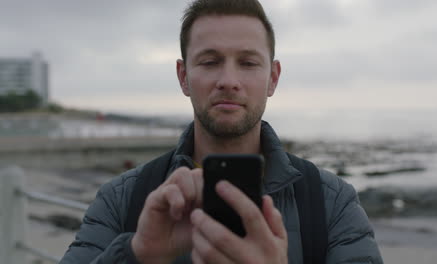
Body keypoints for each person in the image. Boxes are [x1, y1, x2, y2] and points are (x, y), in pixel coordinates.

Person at [60, 0, 383, 263]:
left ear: (273, 77)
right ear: (183, 76)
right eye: (210, 61)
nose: (228, 79)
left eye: (247, 62)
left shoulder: (331, 201)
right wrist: (136, 253)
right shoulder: (123, 198)